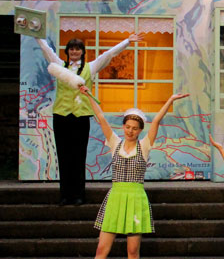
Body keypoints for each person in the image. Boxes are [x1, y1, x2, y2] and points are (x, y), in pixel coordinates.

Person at [69, 88, 188, 259]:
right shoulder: (115, 143)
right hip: (116, 197)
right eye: (127, 127)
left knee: (133, 249)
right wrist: (87, 96)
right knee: (101, 248)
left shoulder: (144, 146)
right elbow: (101, 118)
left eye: (134, 128)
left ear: (140, 130)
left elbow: (156, 123)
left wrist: (170, 99)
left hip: (134, 198)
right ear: (123, 127)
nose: (130, 131)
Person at [35, 33, 143, 205]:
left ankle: (78, 195)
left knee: (78, 156)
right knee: (64, 157)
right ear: (67, 51)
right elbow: (46, 50)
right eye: (71, 49)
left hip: (81, 117)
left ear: (83, 52)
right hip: (61, 116)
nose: (74, 52)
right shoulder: (59, 66)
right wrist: (36, 35)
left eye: (77, 49)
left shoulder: (90, 67)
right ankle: (65, 195)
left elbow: (109, 54)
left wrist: (127, 41)